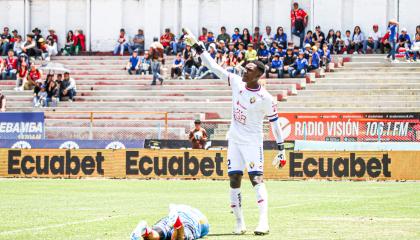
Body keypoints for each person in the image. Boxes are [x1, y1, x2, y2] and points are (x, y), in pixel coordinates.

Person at [184, 29, 286, 235]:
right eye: (244, 68)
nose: (244, 71)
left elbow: (275, 124)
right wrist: (197, 45)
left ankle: (263, 222)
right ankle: (239, 223)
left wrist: (281, 148)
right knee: (234, 179)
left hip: (252, 142)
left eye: (248, 69)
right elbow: (212, 66)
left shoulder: (266, 98)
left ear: (258, 74)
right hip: (235, 141)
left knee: (256, 179)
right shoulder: (236, 83)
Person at [130, 204, 209, 240]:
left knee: (157, 233)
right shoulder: (203, 222)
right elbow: (204, 224)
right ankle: (177, 223)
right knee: (181, 237)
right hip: (188, 220)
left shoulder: (179, 207)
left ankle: (145, 231)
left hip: (169, 218)